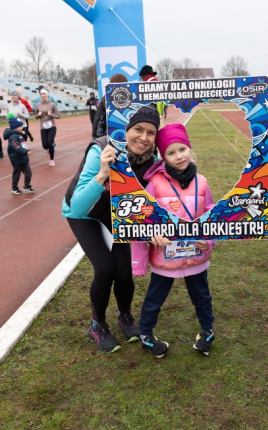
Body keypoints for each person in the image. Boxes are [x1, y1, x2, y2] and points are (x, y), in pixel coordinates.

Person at [62, 104, 161, 353]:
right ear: (124, 129)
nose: (144, 137)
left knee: (124, 272)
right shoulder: (100, 150)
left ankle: (125, 315)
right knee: (105, 269)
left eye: (151, 132)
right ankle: (97, 325)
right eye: (138, 129)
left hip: (116, 215)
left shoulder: (153, 157)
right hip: (84, 213)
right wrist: (103, 174)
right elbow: (78, 206)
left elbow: (157, 197)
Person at [132, 123, 217, 358]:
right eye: (171, 152)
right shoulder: (154, 185)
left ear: (190, 149)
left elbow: (211, 216)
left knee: (202, 297)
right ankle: (146, 335)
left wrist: (208, 242)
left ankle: (207, 332)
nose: (178, 156)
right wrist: (151, 235)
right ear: (162, 157)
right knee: (153, 300)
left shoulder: (202, 182)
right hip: (164, 258)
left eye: (182, 149)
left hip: (196, 257)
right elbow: (143, 218)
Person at [3, 117, 34, 195]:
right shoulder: (12, 137)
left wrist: (24, 134)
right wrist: (26, 151)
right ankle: (14, 188)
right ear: (15, 127)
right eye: (20, 126)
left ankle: (26, 186)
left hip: (24, 157)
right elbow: (17, 147)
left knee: (28, 173)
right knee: (17, 174)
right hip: (16, 159)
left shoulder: (19, 134)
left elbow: (23, 141)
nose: (22, 127)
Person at [91, 74, 128, 139]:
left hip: (109, 137)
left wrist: (96, 139)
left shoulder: (105, 99)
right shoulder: (132, 99)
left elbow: (98, 121)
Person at [35, 88, 60, 166]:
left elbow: (58, 116)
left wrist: (51, 114)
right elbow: (35, 116)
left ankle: (51, 160)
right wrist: (38, 115)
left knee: (50, 142)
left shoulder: (52, 104)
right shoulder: (38, 104)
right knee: (45, 145)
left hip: (52, 126)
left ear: (47, 95)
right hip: (43, 127)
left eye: (44, 94)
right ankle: (50, 147)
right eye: (41, 94)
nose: (43, 95)